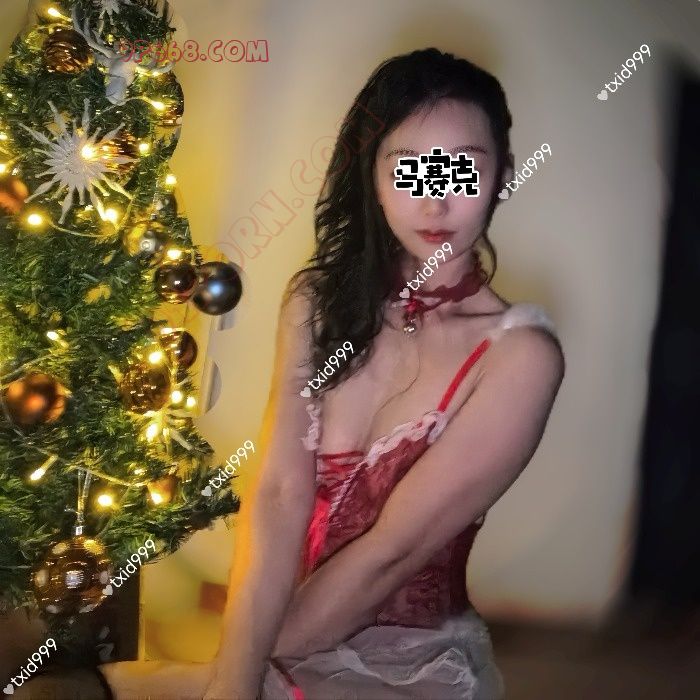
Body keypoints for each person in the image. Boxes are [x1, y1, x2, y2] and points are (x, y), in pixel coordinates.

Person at [100, 47, 565, 700]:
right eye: (408, 170)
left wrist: (230, 678)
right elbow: (278, 496)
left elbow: (390, 555)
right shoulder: (316, 301)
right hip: (274, 631)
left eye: (460, 170)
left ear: (503, 177)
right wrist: (236, 676)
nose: (434, 200)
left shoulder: (520, 356)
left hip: (408, 664)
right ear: (370, 176)